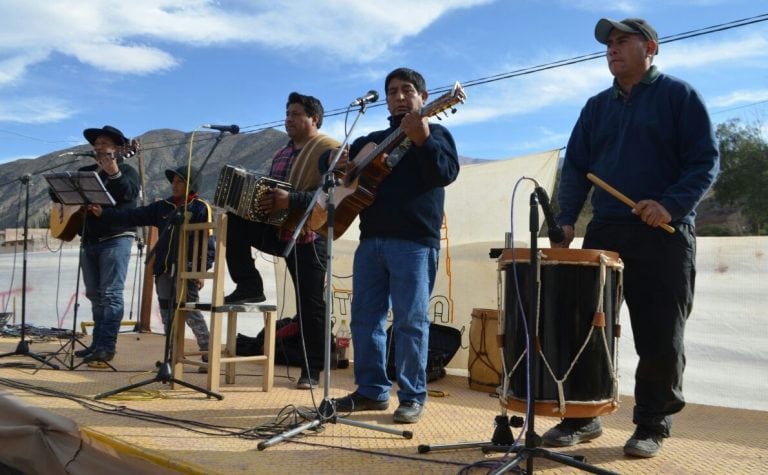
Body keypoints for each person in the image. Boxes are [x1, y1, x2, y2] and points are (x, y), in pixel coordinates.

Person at [546, 18, 719, 458]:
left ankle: (653, 422)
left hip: (662, 232)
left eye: (623, 41)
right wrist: (566, 220)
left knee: (660, 333)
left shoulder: (679, 96)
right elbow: (575, 169)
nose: (612, 49)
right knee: (588, 327)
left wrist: (671, 204)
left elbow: (704, 162)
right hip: (605, 231)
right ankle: (583, 415)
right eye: (609, 44)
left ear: (651, 48)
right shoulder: (595, 107)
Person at [327, 67, 460, 424]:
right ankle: (371, 392)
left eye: (407, 90)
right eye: (392, 91)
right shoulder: (369, 139)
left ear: (425, 98)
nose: (399, 96)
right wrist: (338, 166)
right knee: (364, 320)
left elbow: (444, 174)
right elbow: (344, 176)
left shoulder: (438, 132)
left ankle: (413, 396)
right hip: (370, 240)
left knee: (410, 323)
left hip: (415, 242)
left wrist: (423, 139)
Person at [224, 92, 340, 389]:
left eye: (296, 113)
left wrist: (291, 199)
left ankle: (311, 370)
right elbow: (273, 192)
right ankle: (249, 284)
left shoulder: (329, 150)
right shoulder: (280, 154)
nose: (289, 118)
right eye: (287, 113)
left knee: (310, 306)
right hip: (278, 231)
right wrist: (254, 198)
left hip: (310, 236)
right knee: (234, 217)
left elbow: (331, 197)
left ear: (314, 118)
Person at [90, 166, 213, 370]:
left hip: (186, 270)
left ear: (191, 184)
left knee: (190, 311)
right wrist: (105, 213)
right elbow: (132, 216)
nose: (174, 185)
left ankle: (207, 352)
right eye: (173, 181)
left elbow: (207, 244)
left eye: (179, 181)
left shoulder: (200, 207)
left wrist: (199, 270)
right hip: (163, 268)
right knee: (167, 313)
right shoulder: (162, 207)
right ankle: (172, 354)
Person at [61, 125, 141, 364]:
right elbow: (58, 193)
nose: (98, 147)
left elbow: (128, 194)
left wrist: (114, 171)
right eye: (96, 144)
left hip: (116, 239)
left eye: (104, 143)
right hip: (90, 240)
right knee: (95, 295)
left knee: (111, 294)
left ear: (116, 148)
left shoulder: (127, 171)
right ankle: (96, 344)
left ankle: (107, 346)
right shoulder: (86, 171)